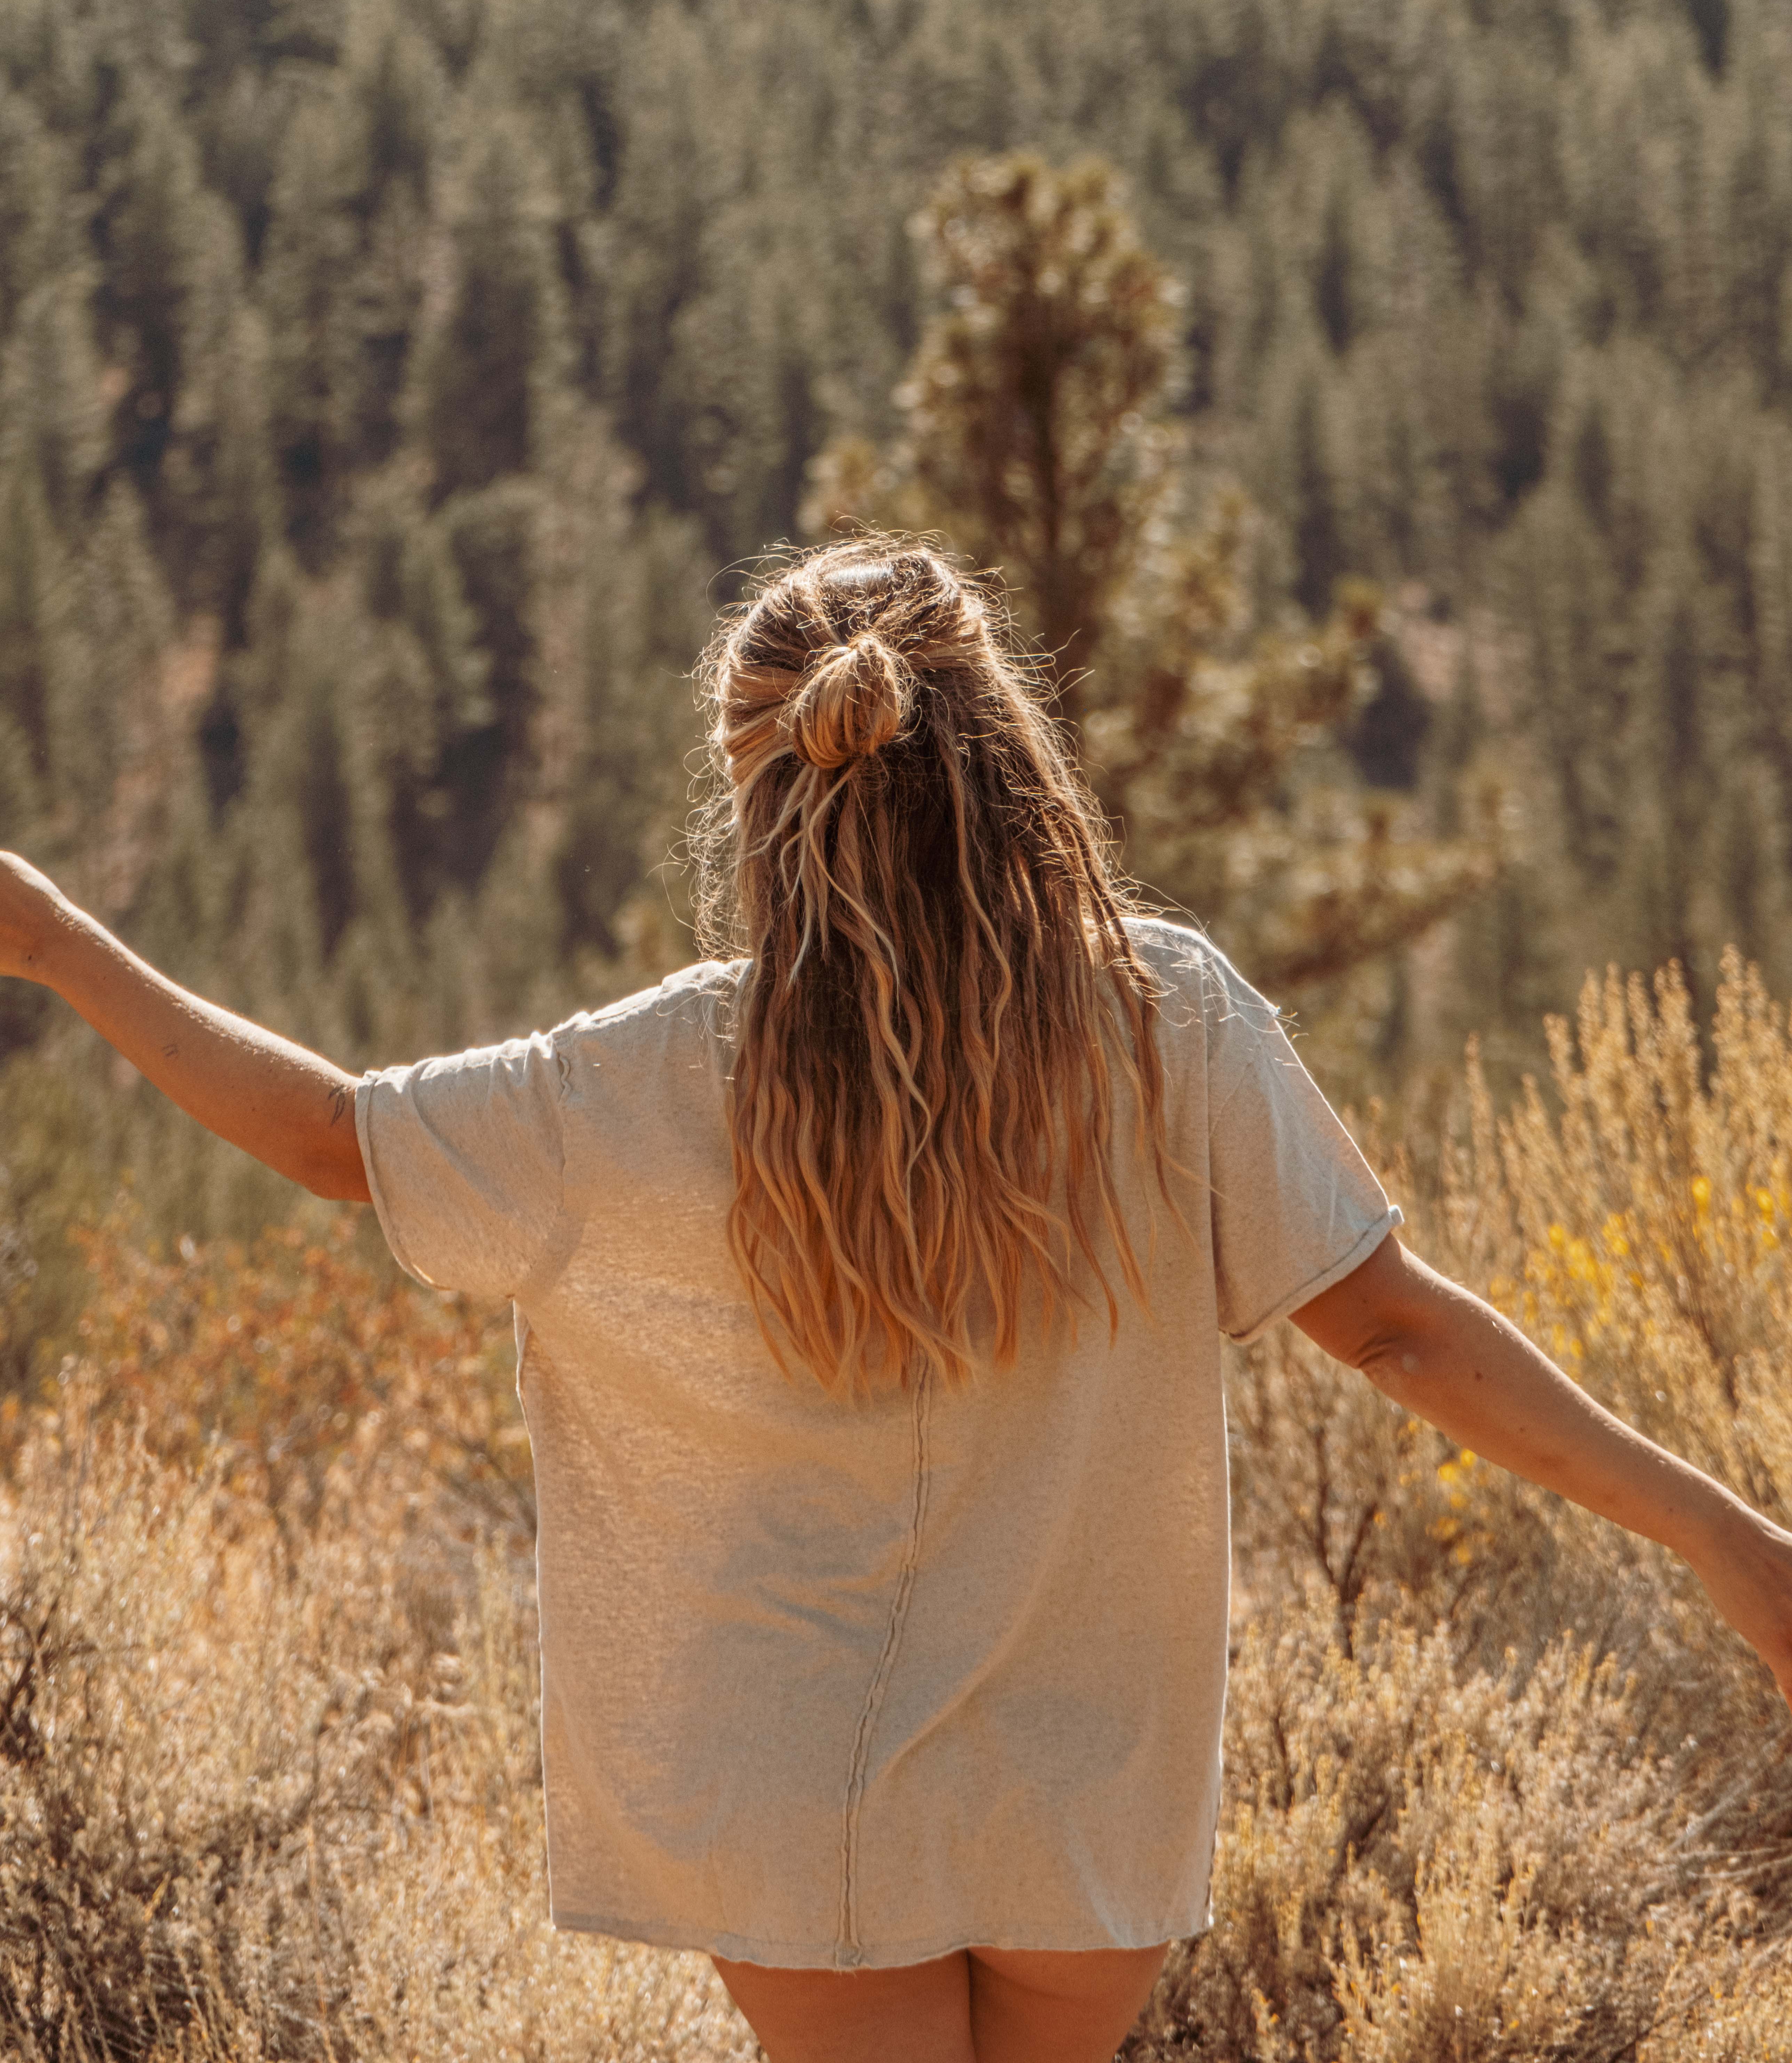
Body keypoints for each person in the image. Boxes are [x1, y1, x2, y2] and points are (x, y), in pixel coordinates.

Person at [1, 534, 1789, 2063]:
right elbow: (1394, 1322)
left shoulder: (671, 1066)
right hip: (1089, 1767)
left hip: (800, 1791)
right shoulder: (1168, 1020)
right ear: (1005, 747)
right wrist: (1717, 1536)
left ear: (754, 782)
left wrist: (54, 936)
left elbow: (335, 1139)